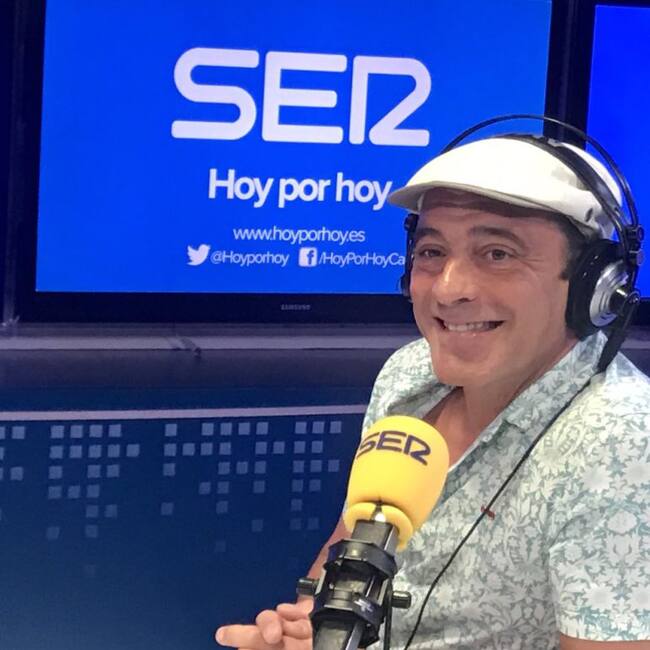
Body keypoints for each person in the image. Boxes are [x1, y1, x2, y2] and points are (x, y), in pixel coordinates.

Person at [216, 135, 650, 649]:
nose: (447, 288)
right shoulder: (408, 374)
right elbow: (354, 548)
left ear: (596, 287)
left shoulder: (621, 440)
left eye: (497, 253)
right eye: (431, 252)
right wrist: (312, 629)